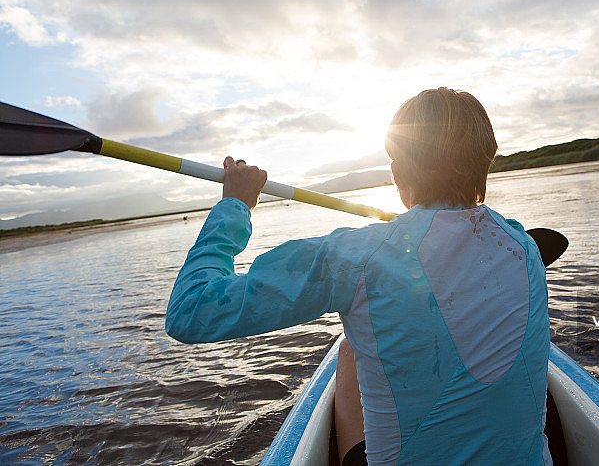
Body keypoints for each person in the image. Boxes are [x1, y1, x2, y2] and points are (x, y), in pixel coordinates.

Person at [166, 87, 552, 465]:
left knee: (350, 346)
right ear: (486, 162)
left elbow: (191, 309)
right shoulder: (523, 246)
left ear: (397, 174)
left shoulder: (353, 257)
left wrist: (235, 204)